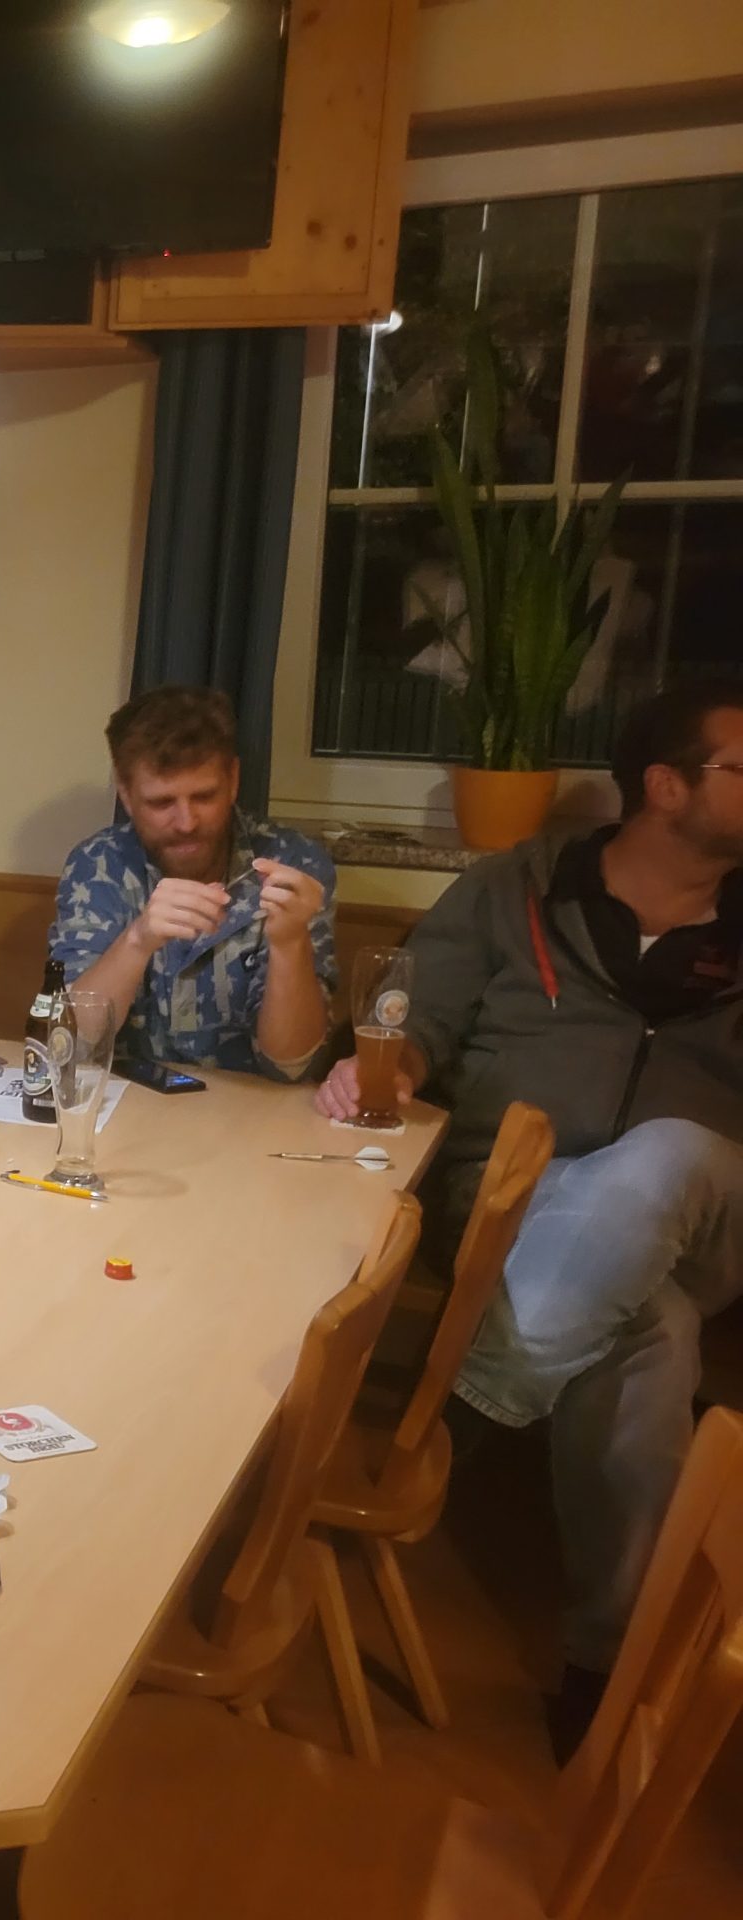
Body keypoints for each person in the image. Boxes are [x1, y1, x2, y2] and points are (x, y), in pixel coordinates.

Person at [312, 679, 743, 1754]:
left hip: (708, 1211)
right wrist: (387, 1068)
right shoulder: (515, 889)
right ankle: (607, 1671)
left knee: (673, 1154)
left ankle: (473, 1396)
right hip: (519, 1201)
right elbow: (417, 1017)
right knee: (649, 1345)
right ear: (665, 786)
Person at [50, 686, 336, 1077]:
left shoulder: (294, 863)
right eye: (161, 803)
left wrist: (290, 944)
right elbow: (72, 1042)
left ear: (233, 780)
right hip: (130, 1101)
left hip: (251, 1104)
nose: (186, 823)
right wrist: (138, 940)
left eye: (204, 797)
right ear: (127, 796)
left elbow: (290, 1061)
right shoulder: (98, 864)